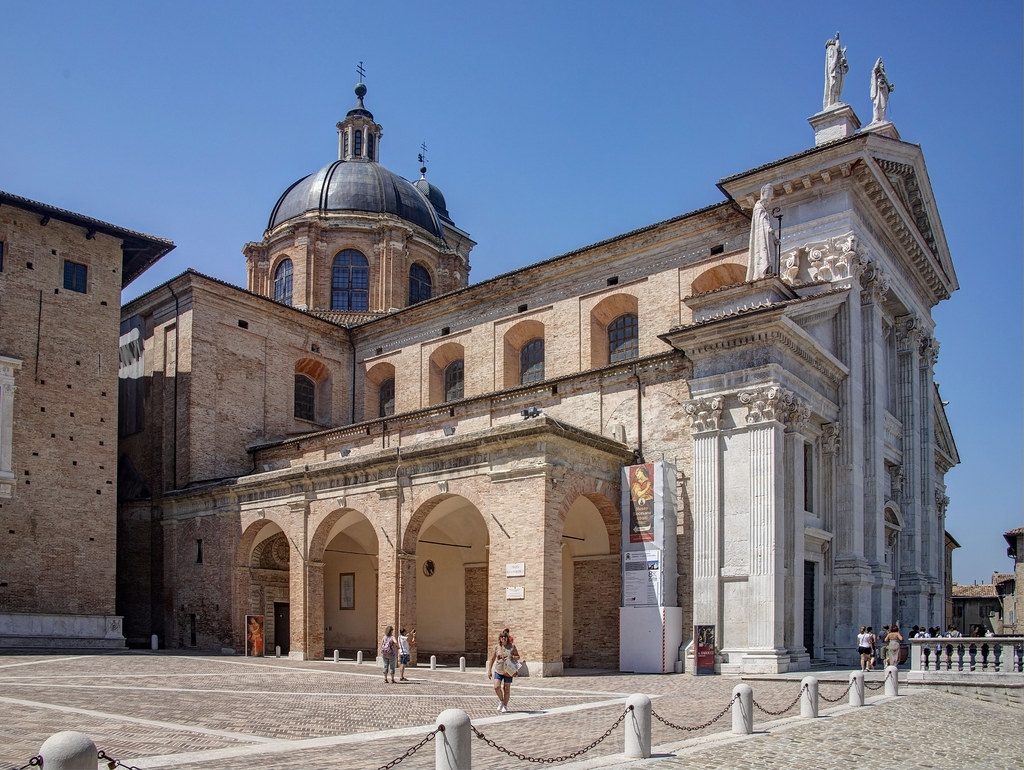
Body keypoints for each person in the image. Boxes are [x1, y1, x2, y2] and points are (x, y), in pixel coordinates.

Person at [746, 184, 778, 281]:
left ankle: (768, 270)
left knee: (770, 253)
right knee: (764, 253)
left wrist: (774, 239)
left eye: (771, 195)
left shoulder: (763, 209)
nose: (770, 197)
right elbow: (761, 223)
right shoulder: (758, 207)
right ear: (763, 193)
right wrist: (768, 228)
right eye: (769, 194)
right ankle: (763, 270)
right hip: (763, 237)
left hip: (767, 236)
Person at [486, 627, 520, 714]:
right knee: (496, 687)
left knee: (506, 689)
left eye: (505, 637)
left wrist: (512, 657)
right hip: (498, 670)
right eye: (501, 637)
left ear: (507, 638)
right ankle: (501, 700)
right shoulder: (497, 647)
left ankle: (505, 705)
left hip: (508, 671)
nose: (503, 638)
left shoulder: (512, 647)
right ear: (500, 639)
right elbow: (492, 659)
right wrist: (489, 670)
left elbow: (518, 657)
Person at [822, 31, 848, 109]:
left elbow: (838, 55)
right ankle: (832, 102)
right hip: (834, 70)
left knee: (839, 86)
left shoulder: (836, 50)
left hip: (838, 70)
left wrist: (843, 60)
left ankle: (836, 101)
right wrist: (837, 39)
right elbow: (834, 59)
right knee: (834, 85)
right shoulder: (831, 49)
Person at [870, 57, 894, 124]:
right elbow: (874, 70)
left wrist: (890, 87)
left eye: (883, 65)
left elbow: (888, 86)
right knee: (877, 103)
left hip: (884, 91)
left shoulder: (884, 76)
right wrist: (878, 61)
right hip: (879, 90)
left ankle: (882, 118)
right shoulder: (877, 74)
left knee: (883, 104)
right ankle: (876, 118)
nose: (883, 66)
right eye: (881, 65)